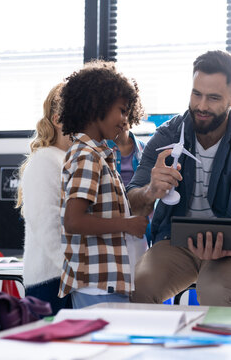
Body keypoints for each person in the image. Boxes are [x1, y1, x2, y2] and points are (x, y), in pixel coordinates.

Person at [127, 50, 231, 306]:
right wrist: (150, 191)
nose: (201, 106)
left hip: (229, 250)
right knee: (139, 286)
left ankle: (214, 347)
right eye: (196, 94)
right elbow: (132, 204)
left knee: (213, 291)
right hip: (174, 242)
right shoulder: (165, 136)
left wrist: (220, 243)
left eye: (213, 98)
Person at [57, 60, 149, 308]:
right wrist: (126, 225)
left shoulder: (97, 155)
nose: (124, 119)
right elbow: (73, 220)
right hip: (97, 287)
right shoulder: (87, 157)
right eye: (121, 110)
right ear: (96, 105)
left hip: (107, 283)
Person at [16, 83, 73, 315]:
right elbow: (46, 224)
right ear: (59, 120)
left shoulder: (67, 159)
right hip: (51, 281)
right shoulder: (46, 161)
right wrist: (74, 272)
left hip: (62, 278)